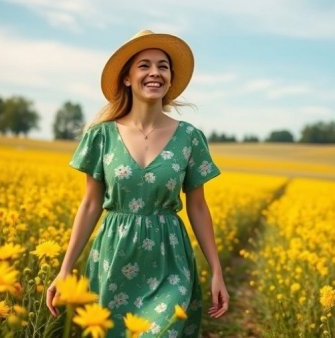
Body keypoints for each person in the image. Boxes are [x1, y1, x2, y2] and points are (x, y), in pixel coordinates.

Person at [46, 29, 229, 337]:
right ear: (128, 78)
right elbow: (90, 204)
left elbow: (198, 206)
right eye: (144, 65)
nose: (155, 72)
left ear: (170, 78)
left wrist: (217, 271)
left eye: (163, 66)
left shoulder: (190, 138)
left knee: (163, 332)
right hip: (113, 256)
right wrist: (65, 269)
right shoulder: (100, 136)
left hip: (169, 258)